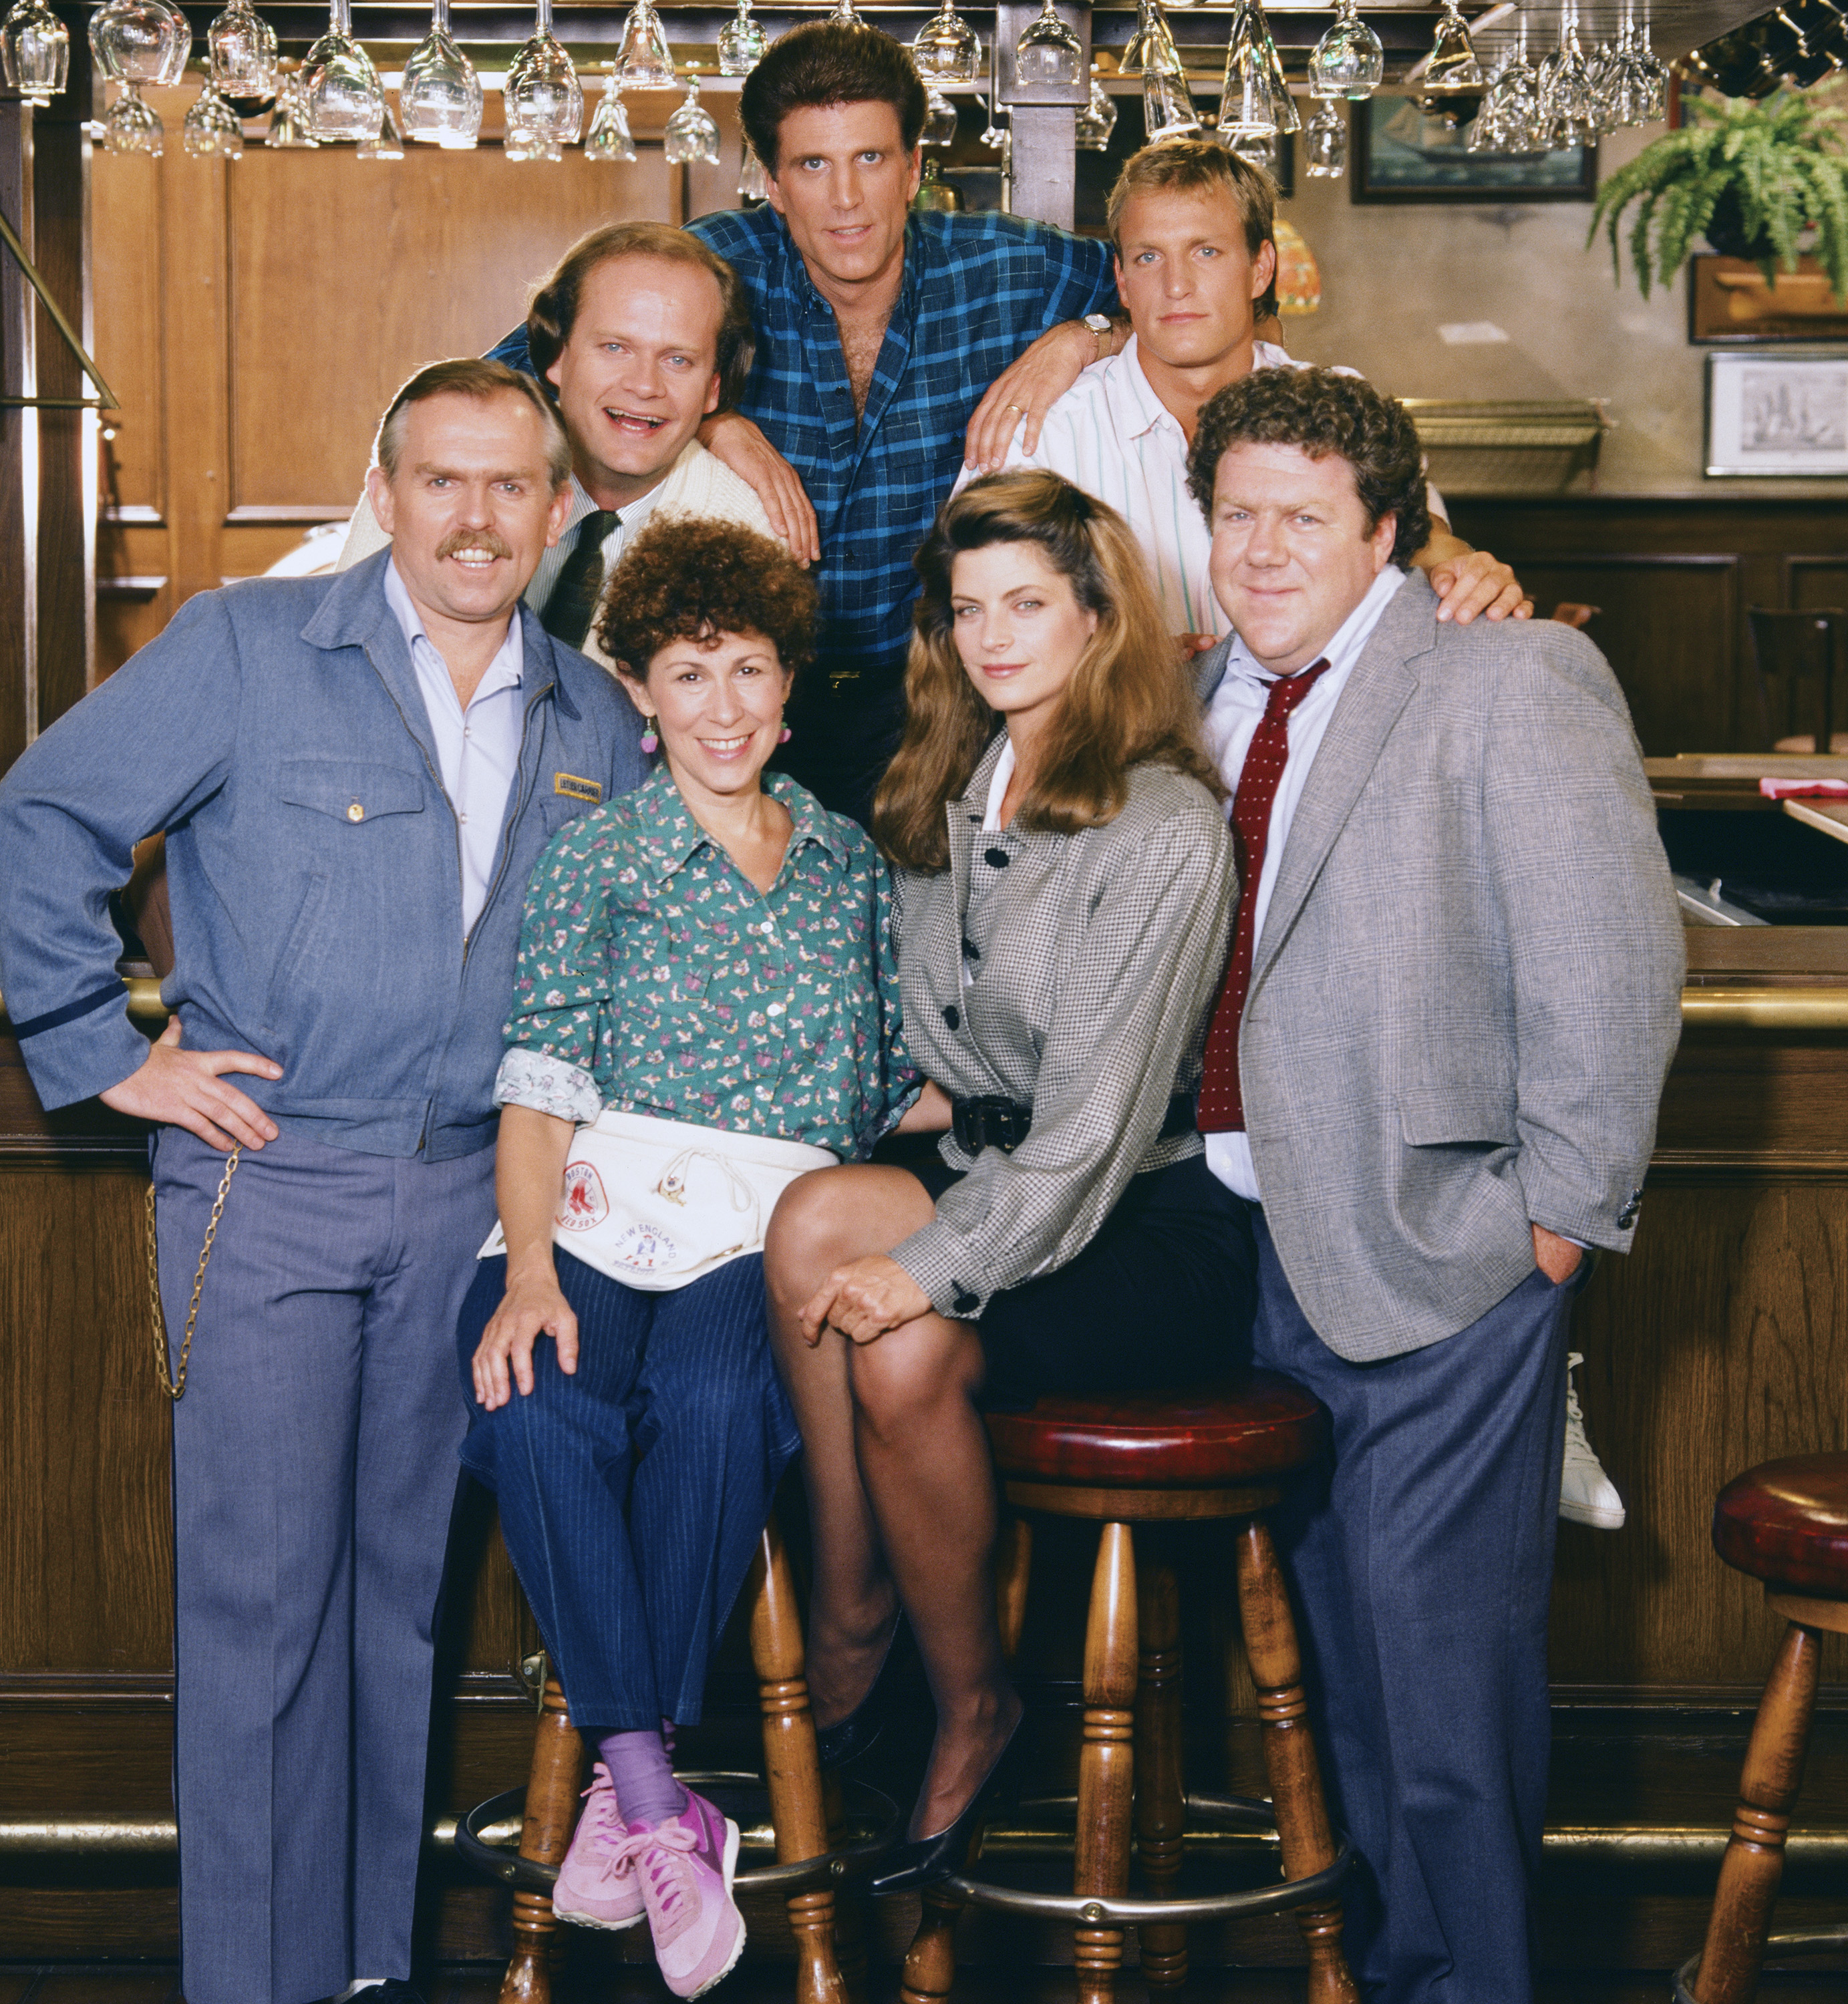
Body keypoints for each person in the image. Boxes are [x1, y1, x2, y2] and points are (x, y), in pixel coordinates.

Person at [0, 359, 645, 2004]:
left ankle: (358, 1972)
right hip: (268, 1185)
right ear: (385, 489)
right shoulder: (243, 649)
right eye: (443, 480)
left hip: (476, 1212)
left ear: (560, 513)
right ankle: (251, 1985)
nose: (478, 518)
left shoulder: (599, 715)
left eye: (512, 486)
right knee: (262, 1615)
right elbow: (40, 815)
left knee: (395, 1617)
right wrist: (97, 1041)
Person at [1184, 366, 1682, 2001]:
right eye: (1235, 514)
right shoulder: (1197, 699)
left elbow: (1611, 963)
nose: (1262, 550)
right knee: (1344, 1685)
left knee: (1442, 1693)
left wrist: (1551, 1224)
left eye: (1303, 519)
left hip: (1446, 1254)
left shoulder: (1508, 672)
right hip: (1252, 1254)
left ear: (1388, 532)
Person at [760, 470, 1255, 1888]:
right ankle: (853, 1608)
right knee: (809, 1218)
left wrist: (922, 1269)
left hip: (1144, 1222)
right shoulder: (942, 789)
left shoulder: (1158, 823)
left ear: (1098, 617)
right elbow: (939, 1064)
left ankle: (973, 1704)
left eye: (1025, 604)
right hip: (995, 1174)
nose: (990, 637)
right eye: (967, 608)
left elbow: (1090, 1129)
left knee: (906, 1345)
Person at [457, 515, 931, 1997]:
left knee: (722, 1407)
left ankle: (629, 1782)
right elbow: (538, 1086)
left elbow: (889, 1085)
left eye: (747, 670)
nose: (721, 704)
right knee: (535, 1398)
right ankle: (658, 1798)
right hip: (594, 1204)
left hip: (768, 1227)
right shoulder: (595, 855)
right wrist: (529, 1270)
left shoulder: (852, 865)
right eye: (686, 672)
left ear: (788, 689)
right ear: (642, 695)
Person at [492, 25, 1127, 818]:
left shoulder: (1009, 267)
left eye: (870, 159)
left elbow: (1214, 310)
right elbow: (513, 373)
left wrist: (1084, 338)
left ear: (913, 168)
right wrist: (704, 417)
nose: (846, 199)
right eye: (813, 166)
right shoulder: (715, 263)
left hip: (937, 710)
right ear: (773, 180)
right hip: (738, 714)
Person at [979, 138, 1527, 648]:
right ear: (1121, 280)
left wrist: (1462, 564)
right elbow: (985, 618)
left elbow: (1418, 535)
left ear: (1260, 268)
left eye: (1206, 252)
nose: (1176, 286)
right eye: (1149, 257)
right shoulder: (1039, 435)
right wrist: (1114, 672)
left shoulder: (1338, 403)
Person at [345, 222, 774, 669]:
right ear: (558, 357)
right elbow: (341, 664)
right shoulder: (432, 469)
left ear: (712, 389)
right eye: (614, 348)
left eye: (678, 360)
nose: (645, 386)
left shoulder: (746, 534)